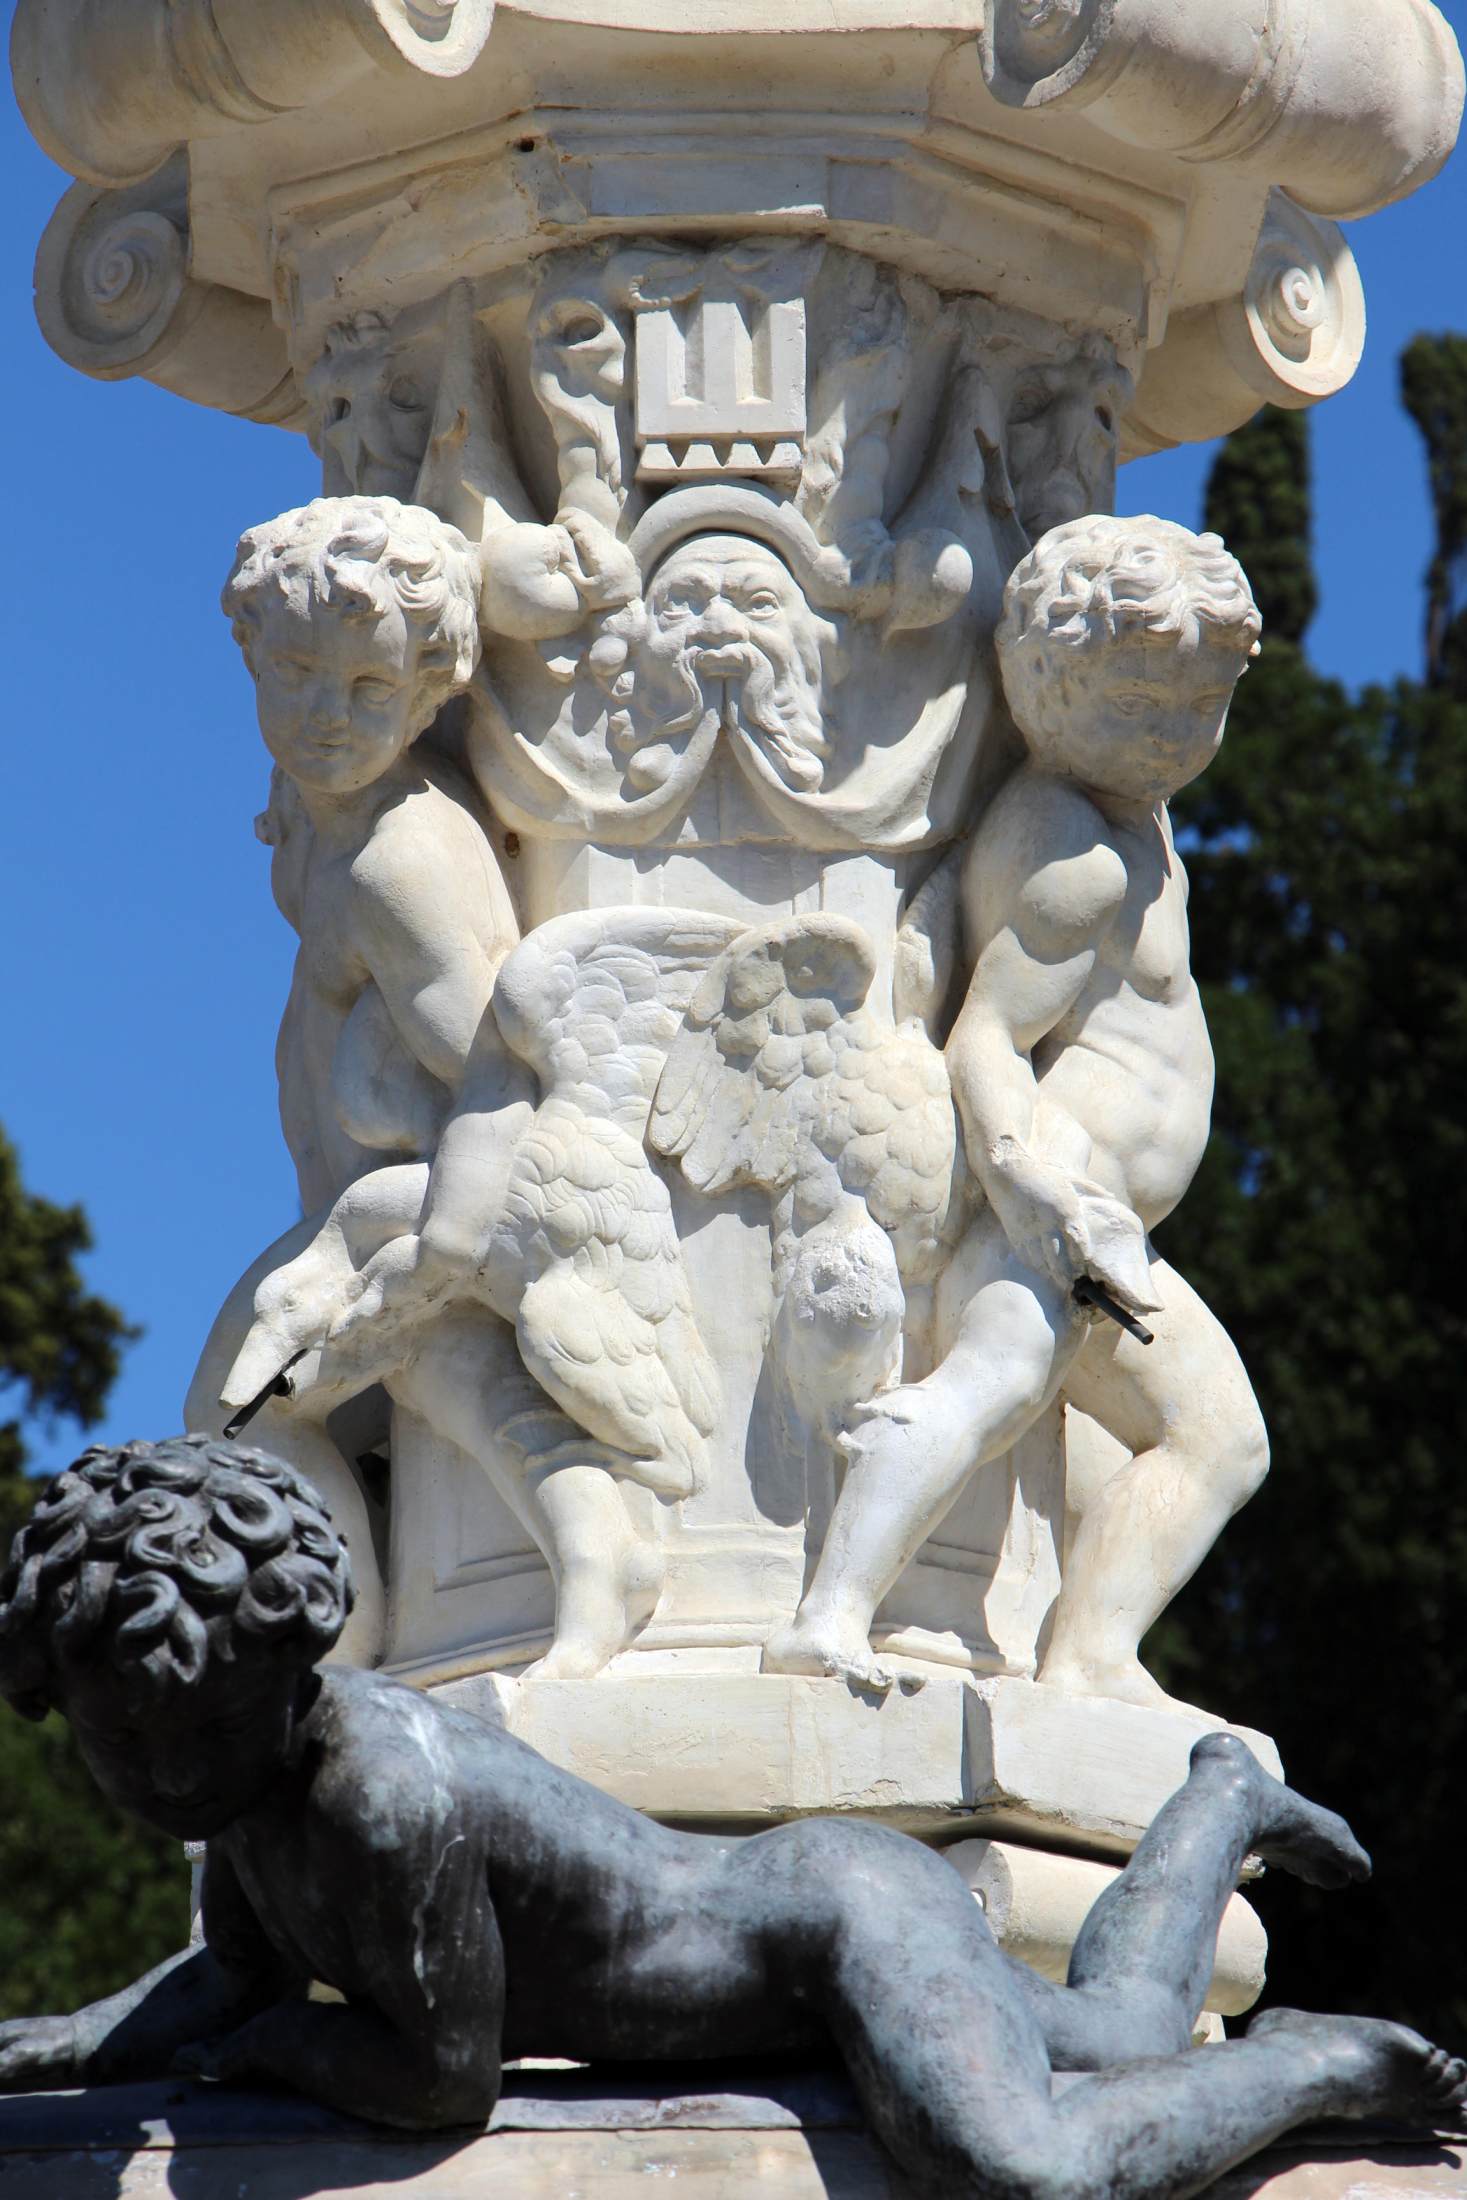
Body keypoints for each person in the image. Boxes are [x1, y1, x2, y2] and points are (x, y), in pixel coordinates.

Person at [0, 1437, 1461, 2198]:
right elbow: (234, 1969)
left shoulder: (378, 1791)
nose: (157, 1773)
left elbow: (436, 2077)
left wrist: (265, 2051)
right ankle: (1218, 1799)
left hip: (828, 1926)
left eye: (183, 1725)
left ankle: (1325, 2062)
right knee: (1124, 2042)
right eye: (114, 1738)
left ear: (273, 1664)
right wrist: (72, 2042)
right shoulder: (262, 1794)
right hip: (813, 1918)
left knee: (1028, 2171)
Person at [766, 515, 1271, 1706]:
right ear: (1045, 690)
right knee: (1029, 1403)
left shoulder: (1126, 819)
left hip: (1088, 1227)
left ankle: (1089, 1653)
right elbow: (985, 1034)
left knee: (1180, 1438)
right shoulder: (1075, 849)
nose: (1172, 736)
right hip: (1060, 1219)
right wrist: (1032, 1183)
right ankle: (843, 1616)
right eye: (1139, 705)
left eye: (1197, 708)